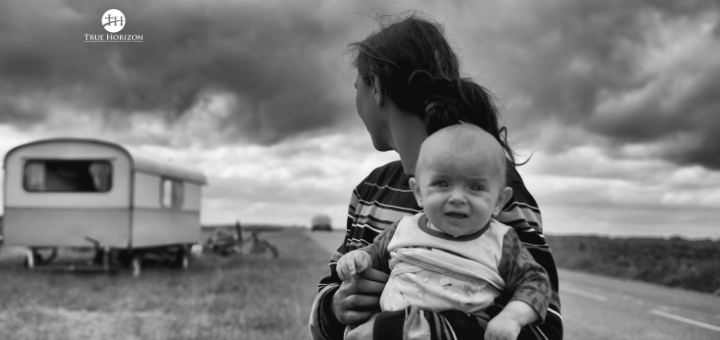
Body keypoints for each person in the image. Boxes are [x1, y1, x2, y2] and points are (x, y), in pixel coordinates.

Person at [309, 13, 562, 340]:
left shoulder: (493, 188)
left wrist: (403, 328)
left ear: (377, 89)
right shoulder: (370, 190)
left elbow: (544, 329)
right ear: (417, 191)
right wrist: (337, 306)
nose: (458, 196)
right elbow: (327, 297)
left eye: (357, 87)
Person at [336, 124, 551, 340]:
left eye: (475, 187)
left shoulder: (502, 242)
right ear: (419, 192)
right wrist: (359, 257)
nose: (457, 197)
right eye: (442, 183)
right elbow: (374, 253)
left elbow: (536, 282)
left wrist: (511, 317)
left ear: (498, 201)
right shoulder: (403, 229)